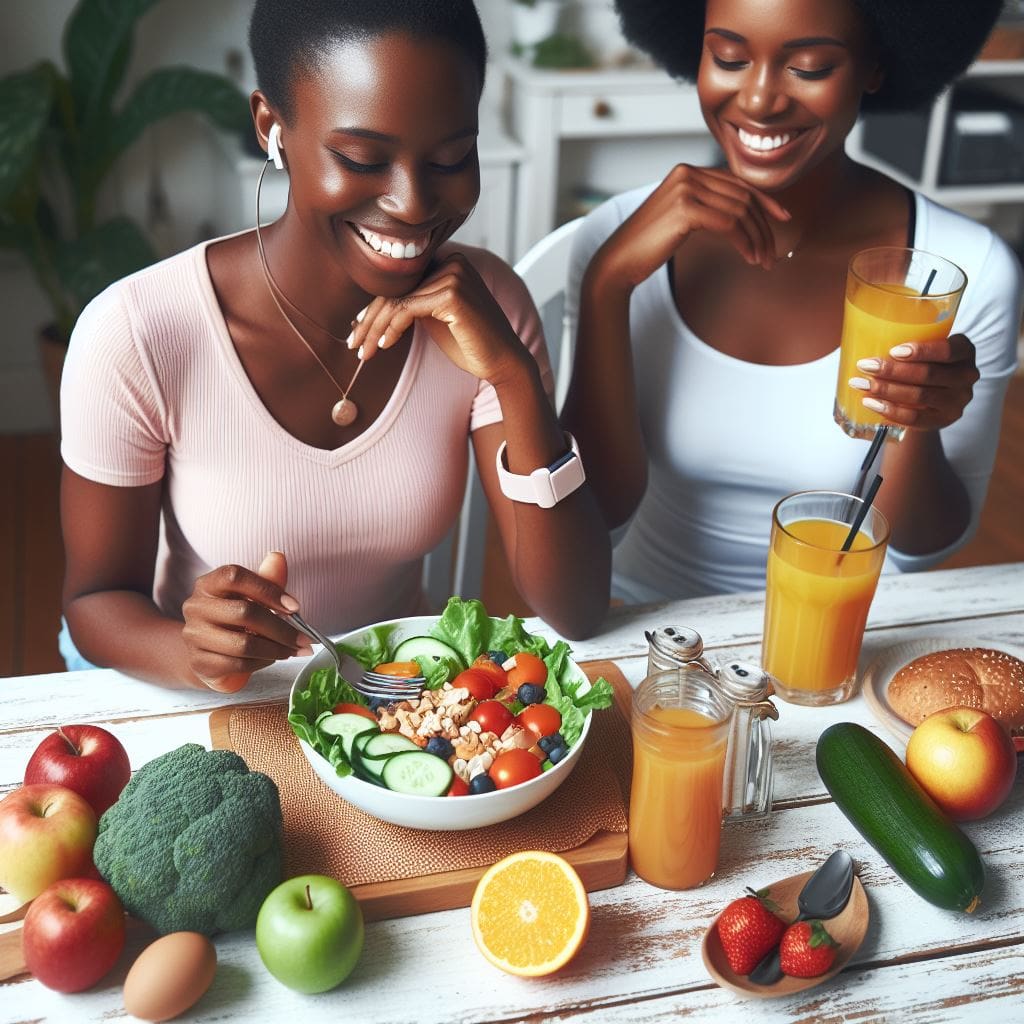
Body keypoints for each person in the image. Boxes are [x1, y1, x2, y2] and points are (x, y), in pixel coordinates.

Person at [58, 0, 611, 689]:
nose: (412, 204)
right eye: (360, 158)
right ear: (272, 127)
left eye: (450, 158)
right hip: (199, 693)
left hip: (395, 693)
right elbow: (94, 604)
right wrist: (194, 652)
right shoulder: (138, 331)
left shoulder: (487, 310)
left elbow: (577, 608)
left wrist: (514, 377)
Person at [560, 0, 1022, 604]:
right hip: (651, 628)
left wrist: (918, 423)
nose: (758, 99)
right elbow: (597, 513)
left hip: (847, 633)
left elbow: (926, 546)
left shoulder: (965, 270)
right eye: (728, 57)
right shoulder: (617, 241)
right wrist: (607, 285)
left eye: (808, 68)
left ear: (873, 67)